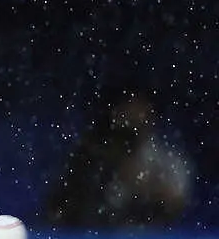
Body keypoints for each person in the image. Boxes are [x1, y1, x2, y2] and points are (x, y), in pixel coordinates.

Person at [43, 86, 194, 229]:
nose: (131, 116)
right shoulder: (92, 155)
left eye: (138, 109)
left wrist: (145, 189)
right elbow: (60, 209)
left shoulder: (168, 160)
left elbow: (175, 205)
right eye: (126, 109)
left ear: (150, 113)